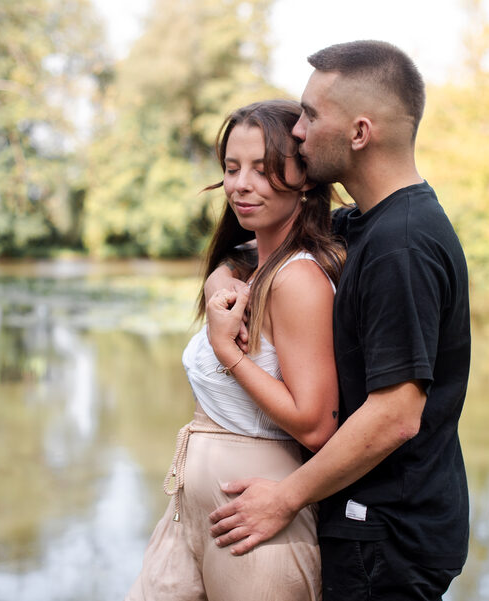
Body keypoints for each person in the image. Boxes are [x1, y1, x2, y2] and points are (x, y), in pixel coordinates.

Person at [206, 40, 471, 601]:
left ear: (359, 132)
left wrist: (283, 497)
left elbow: (396, 415)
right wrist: (221, 283)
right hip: (363, 525)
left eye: (310, 114)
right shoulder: (369, 224)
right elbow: (261, 249)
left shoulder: (403, 245)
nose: (297, 131)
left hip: (389, 537)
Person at [125, 99, 345, 601]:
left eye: (263, 170)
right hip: (194, 512)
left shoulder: (299, 281)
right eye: (231, 168)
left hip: (253, 522)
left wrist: (230, 354)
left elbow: (316, 424)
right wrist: (219, 277)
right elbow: (235, 258)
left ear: (305, 176)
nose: (241, 184)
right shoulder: (251, 263)